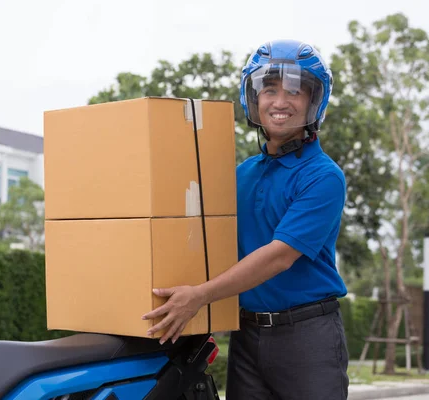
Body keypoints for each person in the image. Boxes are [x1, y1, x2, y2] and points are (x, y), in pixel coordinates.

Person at [141, 39, 349, 399]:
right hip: (248, 334)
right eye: (269, 89)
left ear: (314, 102)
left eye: (295, 91)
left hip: (308, 337)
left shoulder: (323, 176)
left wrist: (199, 296)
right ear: (253, 98)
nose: (280, 101)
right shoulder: (241, 174)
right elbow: (202, 239)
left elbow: (280, 256)